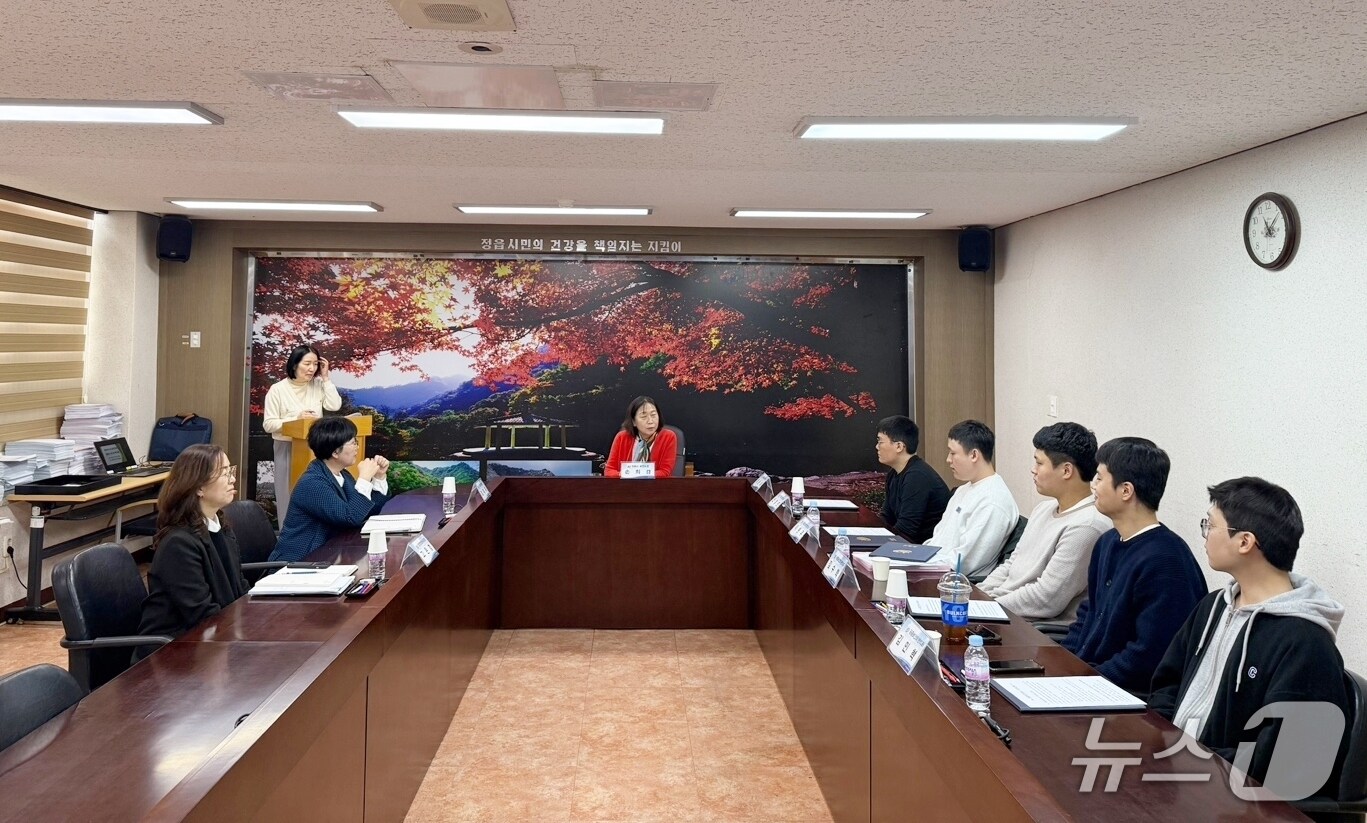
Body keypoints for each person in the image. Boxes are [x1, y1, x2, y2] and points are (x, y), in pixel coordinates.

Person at [1149, 478, 1350, 797]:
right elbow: (1167, 683)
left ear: (1244, 542)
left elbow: (1284, 762)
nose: (1204, 535)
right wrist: (1161, 743)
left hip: (1232, 795)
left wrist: (1194, 764)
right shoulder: (1213, 606)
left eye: (1210, 525)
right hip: (1177, 774)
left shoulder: (1305, 642)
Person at [1061, 437, 1206, 696]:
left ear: (1126, 490)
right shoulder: (1107, 542)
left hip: (1127, 694)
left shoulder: (1166, 560)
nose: (1092, 485)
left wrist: (1086, 682)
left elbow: (1148, 655)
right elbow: (1088, 614)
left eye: (1099, 477)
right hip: (1089, 681)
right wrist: (1062, 664)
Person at [979, 422, 1110, 621]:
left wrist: (987, 606)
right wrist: (978, 595)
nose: (1033, 470)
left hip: (1034, 627)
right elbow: (1012, 564)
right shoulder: (1043, 509)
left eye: (1039, 463)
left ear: (1066, 471)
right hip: (1001, 612)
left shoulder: (1087, 526)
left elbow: (1046, 598)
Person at [135, 444, 248, 659]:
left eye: (230, 471)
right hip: (174, 653)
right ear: (199, 487)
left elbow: (238, 591)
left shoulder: (221, 528)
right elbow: (201, 614)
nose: (232, 479)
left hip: (212, 642)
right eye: (224, 473)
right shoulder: (179, 544)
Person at [269, 416, 390, 562]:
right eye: (353, 443)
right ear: (335, 452)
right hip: (297, 564)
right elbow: (349, 517)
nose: (357, 447)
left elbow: (365, 511)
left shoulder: (342, 475)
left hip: (326, 558)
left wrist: (378, 478)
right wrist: (364, 479)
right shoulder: (313, 483)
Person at [925, 420, 1020, 578]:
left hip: (953, 581)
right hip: (933, 568)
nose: (948, 459)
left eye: (953, 453)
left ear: (974, 455)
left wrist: (919, 566)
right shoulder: (963, 489)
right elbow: (938, 539)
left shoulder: (993, 502)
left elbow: (963, 562)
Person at [262, 345, 341, 522]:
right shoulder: (278, 389)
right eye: (307, 363)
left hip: (316, 449)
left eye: (315, 364)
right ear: (294, 364)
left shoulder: (319, 385)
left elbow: (334, 405)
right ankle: (289, 541)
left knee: (317, 496)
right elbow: (268, 424)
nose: (312, 368)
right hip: (288, 447)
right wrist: (296, 420)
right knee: (288, 495)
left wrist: (326, 378)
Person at [874, 415, 950, 543]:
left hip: (925, 550)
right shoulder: (894, 474)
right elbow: (887, 517)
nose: (877, 447)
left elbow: (906, 531)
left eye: (880, 442)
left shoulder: (917, 476)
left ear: (899, 446)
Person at [604, 396, 678, 478]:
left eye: (653, 415)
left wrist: (632, 475)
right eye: (643, 417)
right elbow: (609, 470)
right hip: (625, 488)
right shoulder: (622, 437)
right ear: (634, 421)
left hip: (656, 488)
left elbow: (664, 472)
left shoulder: (668, 437)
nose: (650, 421)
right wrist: (624, 475)